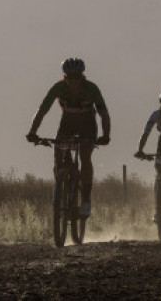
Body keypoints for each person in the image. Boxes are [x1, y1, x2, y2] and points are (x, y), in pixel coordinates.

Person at [26, 57, 111, 217]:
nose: (73, 81)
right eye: (69, 78)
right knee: (58, 152)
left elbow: (103, 113)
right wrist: (32, 132)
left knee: (85, 156)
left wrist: (105, 135)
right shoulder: (58, 88)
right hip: (68, 123)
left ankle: (85, 200)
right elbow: (42, 111)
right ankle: (61, 187)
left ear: (82, 76)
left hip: (88, 124)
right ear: (65, 77)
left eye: (76, 77)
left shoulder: (92, 88)